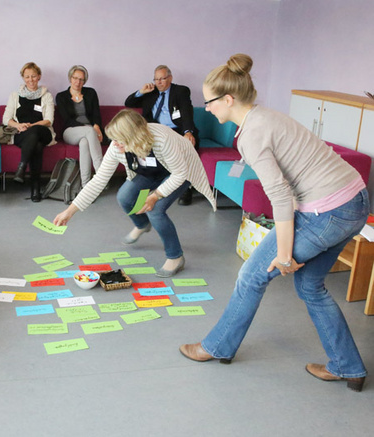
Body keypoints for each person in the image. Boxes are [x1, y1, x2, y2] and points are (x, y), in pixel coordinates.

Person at [180, 54, 369, 392]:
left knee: (251, 276)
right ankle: (348, 367)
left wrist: (283, 255)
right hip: (354, 200)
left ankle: (216, 347)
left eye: (208, 102)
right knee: (310, 286)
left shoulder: (251, 135)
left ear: (228, 99)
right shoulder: (265, 116)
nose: (206, 109)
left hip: (328, 211)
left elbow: (281, 198)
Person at [53, 109, 215, 277]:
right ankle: (142, 224)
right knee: (124, 196)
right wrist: (70, 211)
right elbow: (98, 180)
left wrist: (155, 195)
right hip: (151, 170)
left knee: (155, 209)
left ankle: (175, 256)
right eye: (113, 139)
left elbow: (179, 173)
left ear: (134, 137)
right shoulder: (117, 147)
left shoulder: (162, 140)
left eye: (119, 140)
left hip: (179, 171)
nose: (114, 144)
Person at [125, 65, 198, 205]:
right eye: (156, 79)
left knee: (184, 149)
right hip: (154, 132)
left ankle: (186, 188)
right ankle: (147, 188)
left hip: (175, 130)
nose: (159, 82)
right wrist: (141, 91)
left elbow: (187, 111)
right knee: (144, 150)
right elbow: (129, 103)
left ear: (170, 78)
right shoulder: (151, 92)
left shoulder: (180, 91)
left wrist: (188, 131)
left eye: (162, 79)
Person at [2, 62, 55, 202]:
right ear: (23, 78)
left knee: (36, 131)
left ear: (39, 77)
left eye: (33, 76)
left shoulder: (47, 96)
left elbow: (49, 120)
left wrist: (32, 125)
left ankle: (22, 166)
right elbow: (6, 119)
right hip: (22, 133)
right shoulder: (15, 95)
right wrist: (19, 125)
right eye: (27, 77)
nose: (30, 80)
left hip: (44, 132)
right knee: (36, 145)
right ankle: (35, 187)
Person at [55, 65, 103, 187]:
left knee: (84, 143)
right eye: (75, 78)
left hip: (89, 133)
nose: (78, 82)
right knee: (88, 131)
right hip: (70, 131)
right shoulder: (61, 96)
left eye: (81, 79)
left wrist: (97, 127)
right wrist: (91, 129)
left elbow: (97, 114)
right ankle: (102, 174)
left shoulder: (91, 93)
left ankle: (85, 185)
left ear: (85, 80)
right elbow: (67, 119)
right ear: (70, 78)